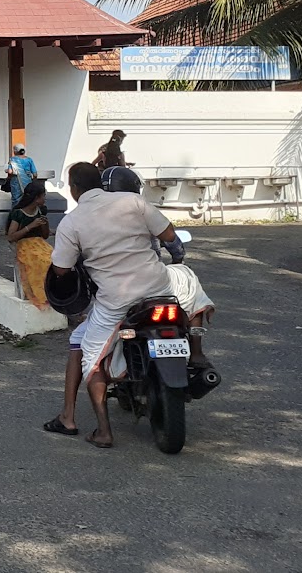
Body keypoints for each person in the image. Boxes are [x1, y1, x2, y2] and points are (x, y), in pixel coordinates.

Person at [43, 162, 182, 449]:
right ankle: (196, 358)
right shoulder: (134, 201)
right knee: (189, 306)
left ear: (73, 188)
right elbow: (169, 236)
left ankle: (97, 429)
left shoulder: (72, 222)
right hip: (159, 288)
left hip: (116, 300)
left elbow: (60, 271)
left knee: (88, 358)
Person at [6, 180, 52, 308]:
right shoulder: (19, 213)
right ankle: (42, 295)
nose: (45, 199)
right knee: (41, 261)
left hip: (40, 244)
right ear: (36, 198)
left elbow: (45, 236)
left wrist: (44, 224)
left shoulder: (41, 211)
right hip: (25, 246)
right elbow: (11, 237)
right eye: (43, 196)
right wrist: (30, 226)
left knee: (54, 259)